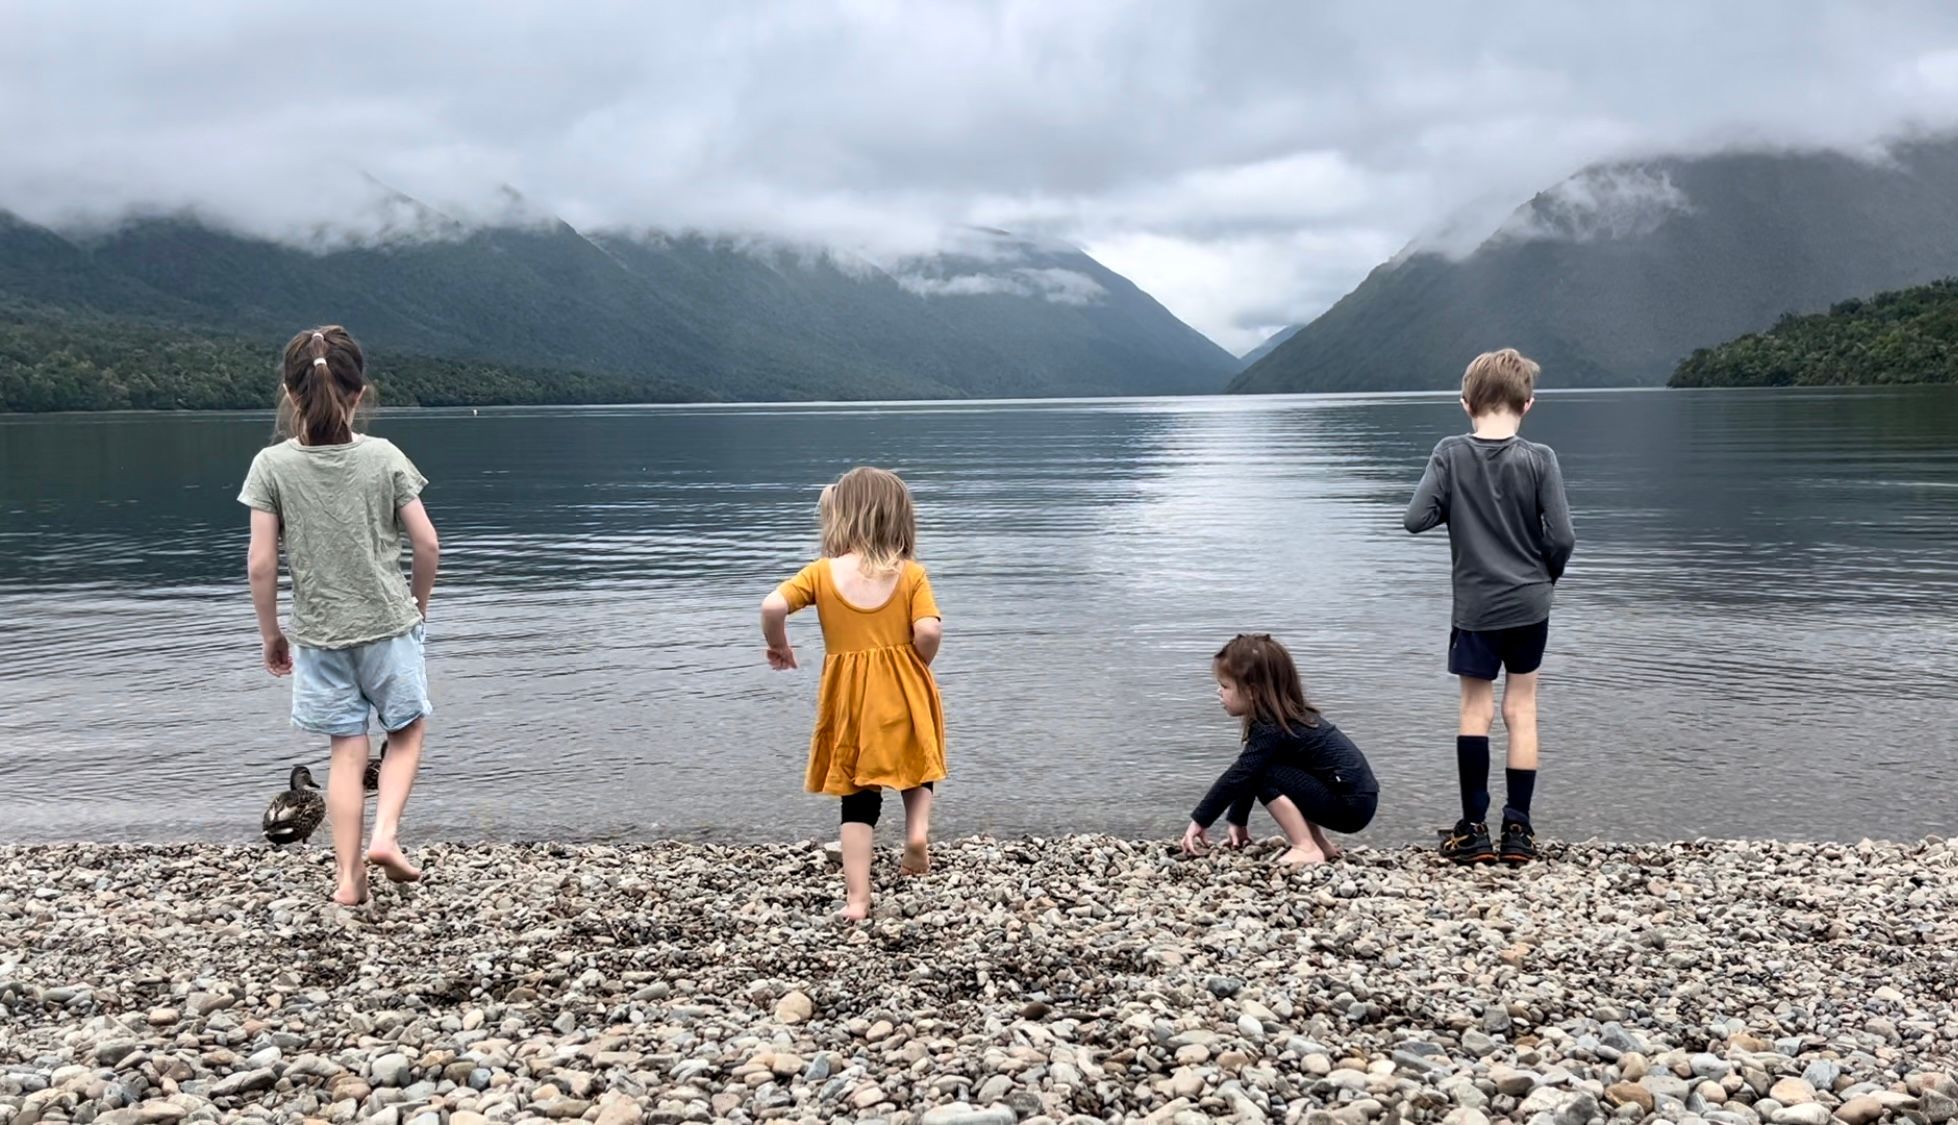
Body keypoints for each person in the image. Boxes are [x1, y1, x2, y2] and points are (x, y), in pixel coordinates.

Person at [240, 325, 440, 906]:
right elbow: (427, 546)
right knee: (405, 733)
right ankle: (386, 837)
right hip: (388, 626)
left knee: (345, 754)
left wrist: (272, 634)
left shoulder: (270, 465)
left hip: (320, 637)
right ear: (360, 393)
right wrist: (417, 609)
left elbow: (261, 563)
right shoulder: (383, 456)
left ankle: (348, 882)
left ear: (289, 392)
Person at [1405, 347, 1575, 866]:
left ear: (1465, 403)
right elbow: (1563, 536)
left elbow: (1415, 518)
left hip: (1476, 609)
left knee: (1475, 710)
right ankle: (1518, 831)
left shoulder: (1450, 454)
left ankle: (1473, 829)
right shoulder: (1540, 458)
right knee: (1521, 710)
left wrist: (1453, 507)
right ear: (1528, 405)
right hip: (1531, 603)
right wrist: (1546, 575)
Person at [761, 467, 946, 921]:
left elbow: (772, 604)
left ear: (839, 517)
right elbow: (928, 630)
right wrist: (917, 660)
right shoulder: (911, 575)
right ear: (899, 519)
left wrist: (779, 645)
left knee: (857, 796)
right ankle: (916, 834)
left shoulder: (822, 573)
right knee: (917, 762)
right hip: (905, 686)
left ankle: (858, 900)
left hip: (850, 700)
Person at [1182, 634, 1378, 866]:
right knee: (1263, 769)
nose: (1218, 692)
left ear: (1252, 691)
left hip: (1349, 805)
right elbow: (1249, 771)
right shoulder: (1287, 719)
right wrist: (1238, 821)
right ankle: (1321, 846)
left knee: (1265, 773)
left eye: (1224, 686)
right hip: (1358, 800)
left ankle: (1305, 847)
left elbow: (1242, 774)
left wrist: (1200, 820)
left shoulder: (1271, 727)